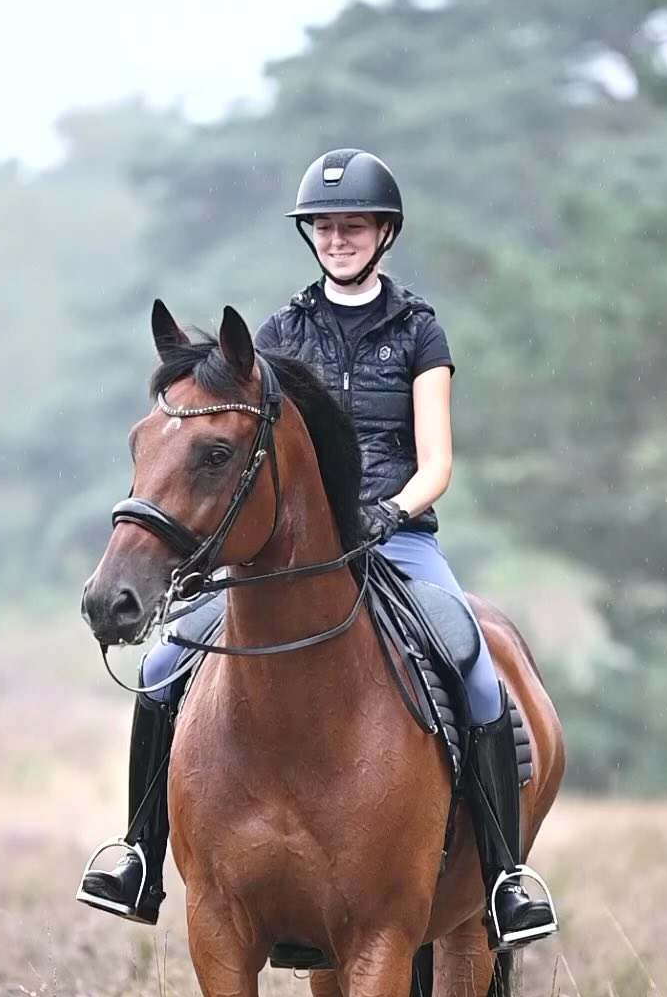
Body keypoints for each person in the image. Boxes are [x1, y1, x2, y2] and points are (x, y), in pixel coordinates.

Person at [78, 148, 557, 948]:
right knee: (162, 669)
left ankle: (503, 876)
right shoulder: (278, 332)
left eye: (354, 226)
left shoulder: (418, 330)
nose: (338, 238)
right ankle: (138, 854)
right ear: (312, 237)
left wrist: (387, 511)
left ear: (383, 234)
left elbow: (436, 461)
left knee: (470, 656)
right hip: (292, 551)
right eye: (326, 227)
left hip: (396, 538)